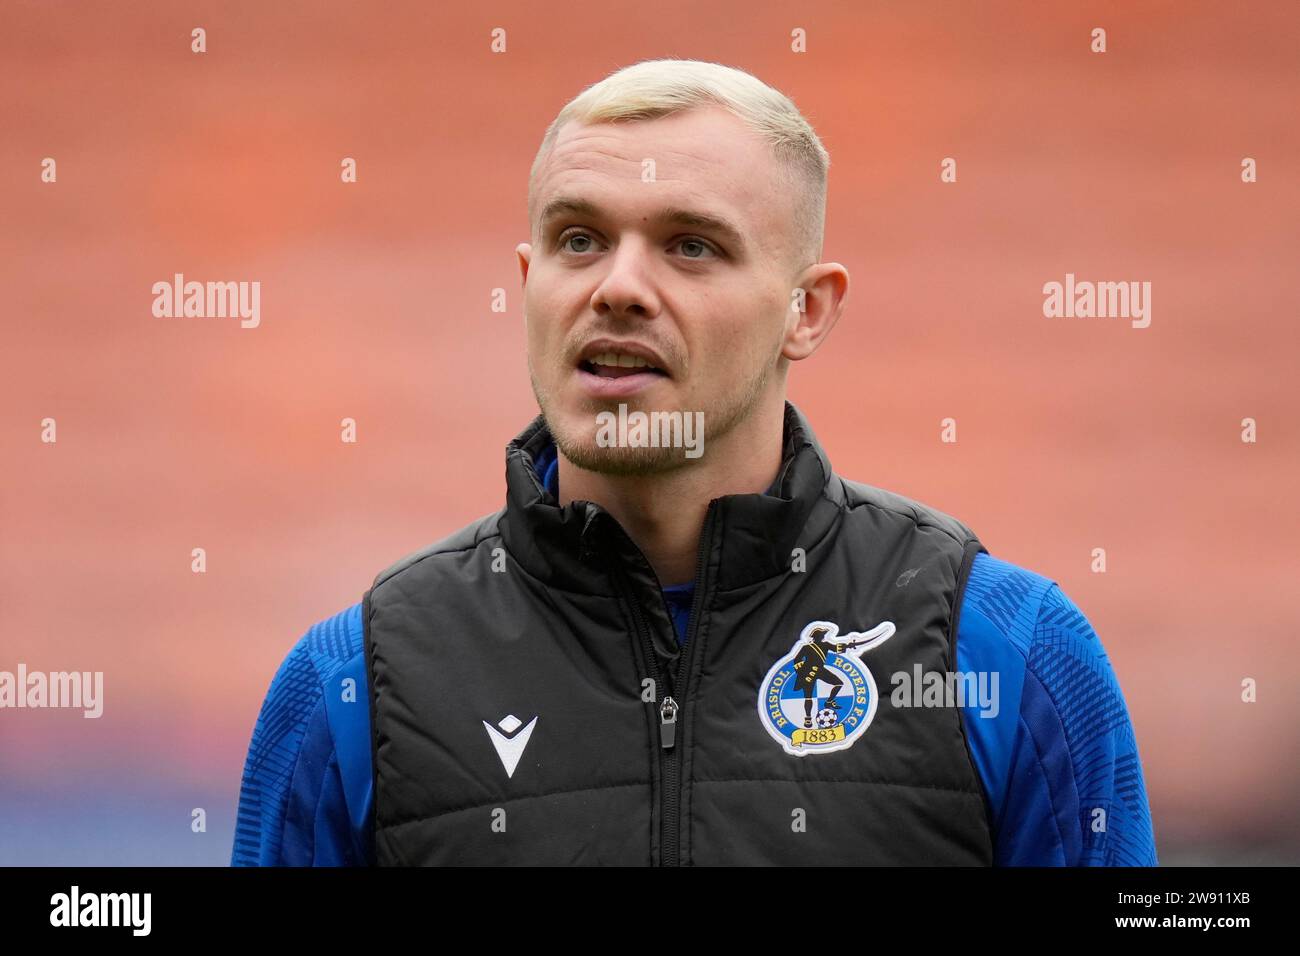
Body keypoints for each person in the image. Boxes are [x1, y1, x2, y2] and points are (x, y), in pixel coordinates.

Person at [232, 58, 1157, 866]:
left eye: (691, 245)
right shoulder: (356, 679)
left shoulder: (1005, 652)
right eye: (579, 239)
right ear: (528, 285)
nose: (619, 288)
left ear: (807, 311)